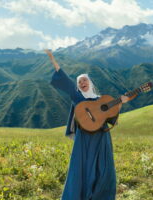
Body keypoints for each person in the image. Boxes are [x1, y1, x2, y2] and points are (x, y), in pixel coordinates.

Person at [45, 49, 129, 200]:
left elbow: (112, 118)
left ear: (90, 83)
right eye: (79, 82)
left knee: (103, 168)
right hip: (84, 139)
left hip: (101, 138)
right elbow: (65, 81)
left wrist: (121, 103)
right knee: (81, 168)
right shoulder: (78, 98)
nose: (82, 83)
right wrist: (52, 59)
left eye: (85, 80)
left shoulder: (101, 100)